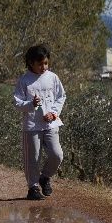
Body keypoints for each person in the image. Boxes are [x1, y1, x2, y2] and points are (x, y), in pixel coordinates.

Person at [13, 44, 66, 200]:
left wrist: (53, 113)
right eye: (40, 63)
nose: (43, 67)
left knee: (57, 155)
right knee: (33, 158)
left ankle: (45, 177)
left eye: (46, 63)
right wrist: (31, 104)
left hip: (51, 124)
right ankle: (33, 187)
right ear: (31, 62)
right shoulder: (24, 81)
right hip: (31, 126)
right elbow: (17, 102)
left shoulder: (53, 77)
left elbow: (61, 97)